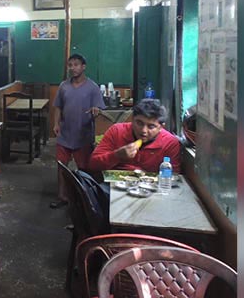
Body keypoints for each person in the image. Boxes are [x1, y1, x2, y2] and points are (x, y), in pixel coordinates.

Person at [49, 53, 105, 208]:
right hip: (65, 133)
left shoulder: (92, 87)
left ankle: (85, 199)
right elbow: (58, 107)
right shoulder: (63, 86)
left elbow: (100, 109)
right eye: (70, 65)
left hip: (83, 136)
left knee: (84, 169)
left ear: (83, 67)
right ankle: (62, 196)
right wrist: (56, 124)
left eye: (76, 65)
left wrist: (96, 110)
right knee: (62, 166)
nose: (73, 68)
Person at [87, 98, 181, 173]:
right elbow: (93, 165)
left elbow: (173, 177)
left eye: (151, 126)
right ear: (132, 119)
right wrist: (116, 156)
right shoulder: (117, 131)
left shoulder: (170, 143)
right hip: (114, 187)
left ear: (161, 127)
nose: (144, 131)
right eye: (139, 123)